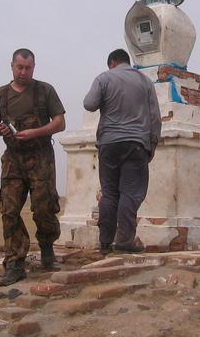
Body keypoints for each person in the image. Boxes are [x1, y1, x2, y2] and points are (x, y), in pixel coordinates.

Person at [0, 49, 65, 286]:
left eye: (28, 68)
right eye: (19, 67)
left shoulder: (45, 90)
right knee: (9, 211)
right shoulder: (1, 94)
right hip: (13, 159)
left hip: (40, 157)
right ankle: (15, 262)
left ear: (34, 67)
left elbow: (60, 122)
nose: (23, 72)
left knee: (43, 208)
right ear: (11, 66)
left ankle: (46, 245)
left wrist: (36, 132)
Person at [83, 49, 161, 253]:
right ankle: (125, 242)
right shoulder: (145, 82)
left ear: (112, 63)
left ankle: (105, 243)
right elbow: (155, 118)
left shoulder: (104, 78)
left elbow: (89, 104)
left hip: (109, 144)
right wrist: (151, 146)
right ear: (127, 62)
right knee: (130, 193)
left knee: (109, 193)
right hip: (136, 145)